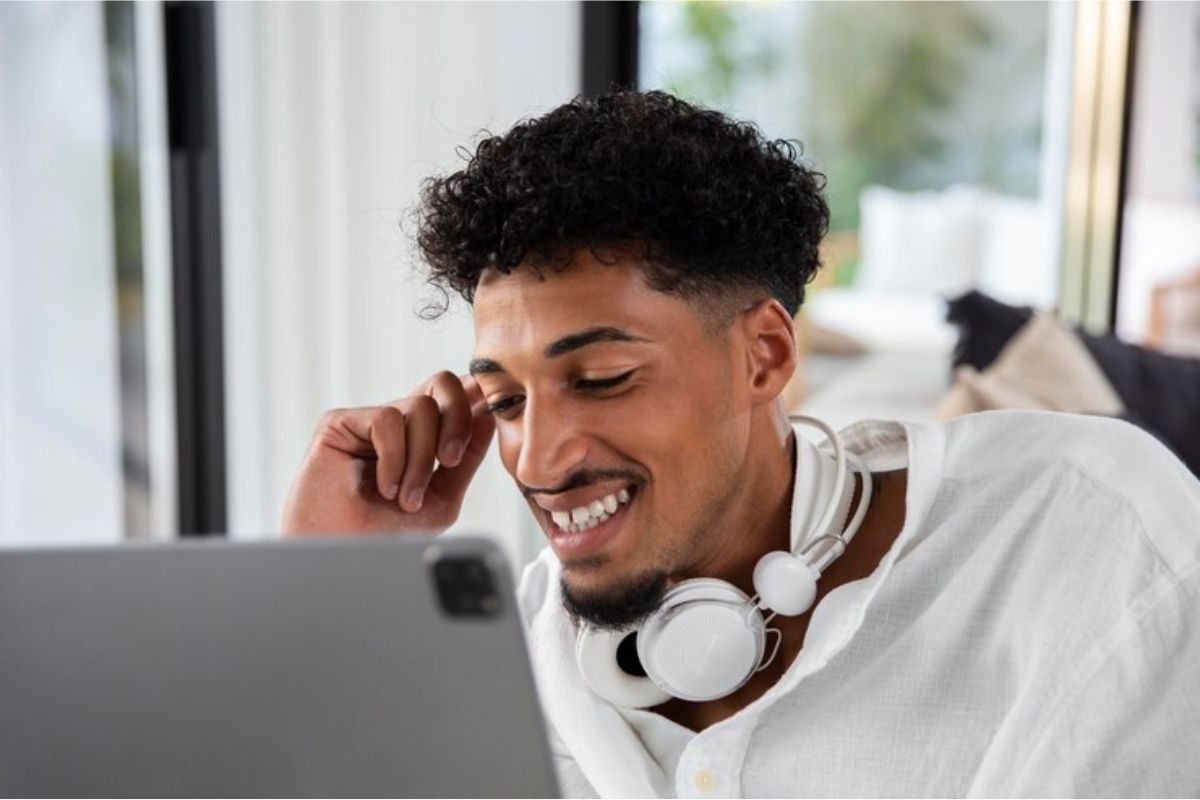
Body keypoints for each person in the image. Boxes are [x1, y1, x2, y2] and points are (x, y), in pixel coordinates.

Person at [282, 91, 1200, 797]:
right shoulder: (526, 648)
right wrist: (331, 594)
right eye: (504, 400)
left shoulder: (1086, 533)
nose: (538, 459)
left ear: (764, 354)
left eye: (601, 380)